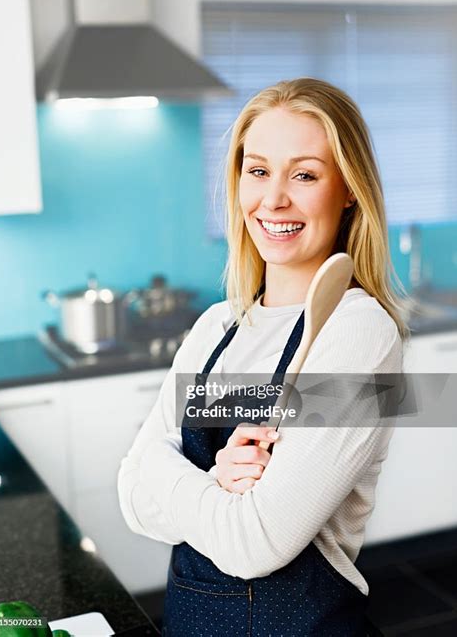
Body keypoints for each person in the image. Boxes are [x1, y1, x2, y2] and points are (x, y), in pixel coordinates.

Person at [118, 78, 410, 636]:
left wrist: (161, 466)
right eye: (258, 170)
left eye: (303, 174)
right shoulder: (216, 327)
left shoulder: (360, 334)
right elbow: (132, 502)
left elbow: (253, 544)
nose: (273, 199)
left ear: (348, 188)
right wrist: (214, 481)